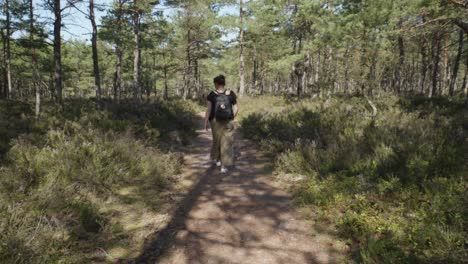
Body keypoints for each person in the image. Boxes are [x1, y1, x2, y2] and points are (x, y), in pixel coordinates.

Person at [204, 75, 239, 173]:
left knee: (217, 141)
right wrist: (232, 118)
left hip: (215, 122)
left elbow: (209, 109)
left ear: (216, 83)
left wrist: (206, 121)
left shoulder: (212, 94)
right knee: (227, 143)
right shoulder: (231, 93)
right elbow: (236, 108)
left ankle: (218, 160)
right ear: (224, 83)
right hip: (228, 121)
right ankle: (224, 166)